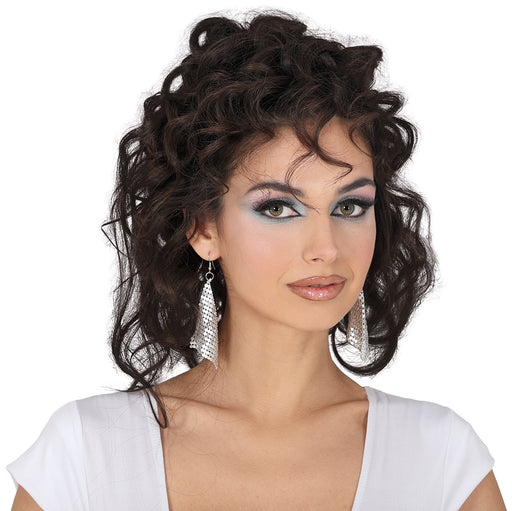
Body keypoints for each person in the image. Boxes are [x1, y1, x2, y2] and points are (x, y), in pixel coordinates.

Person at [6, 11, 507, 511]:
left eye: (350, 207)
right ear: (204, 228)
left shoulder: (440, 459)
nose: (326, 248)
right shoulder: (86, 454)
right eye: (278, 208)